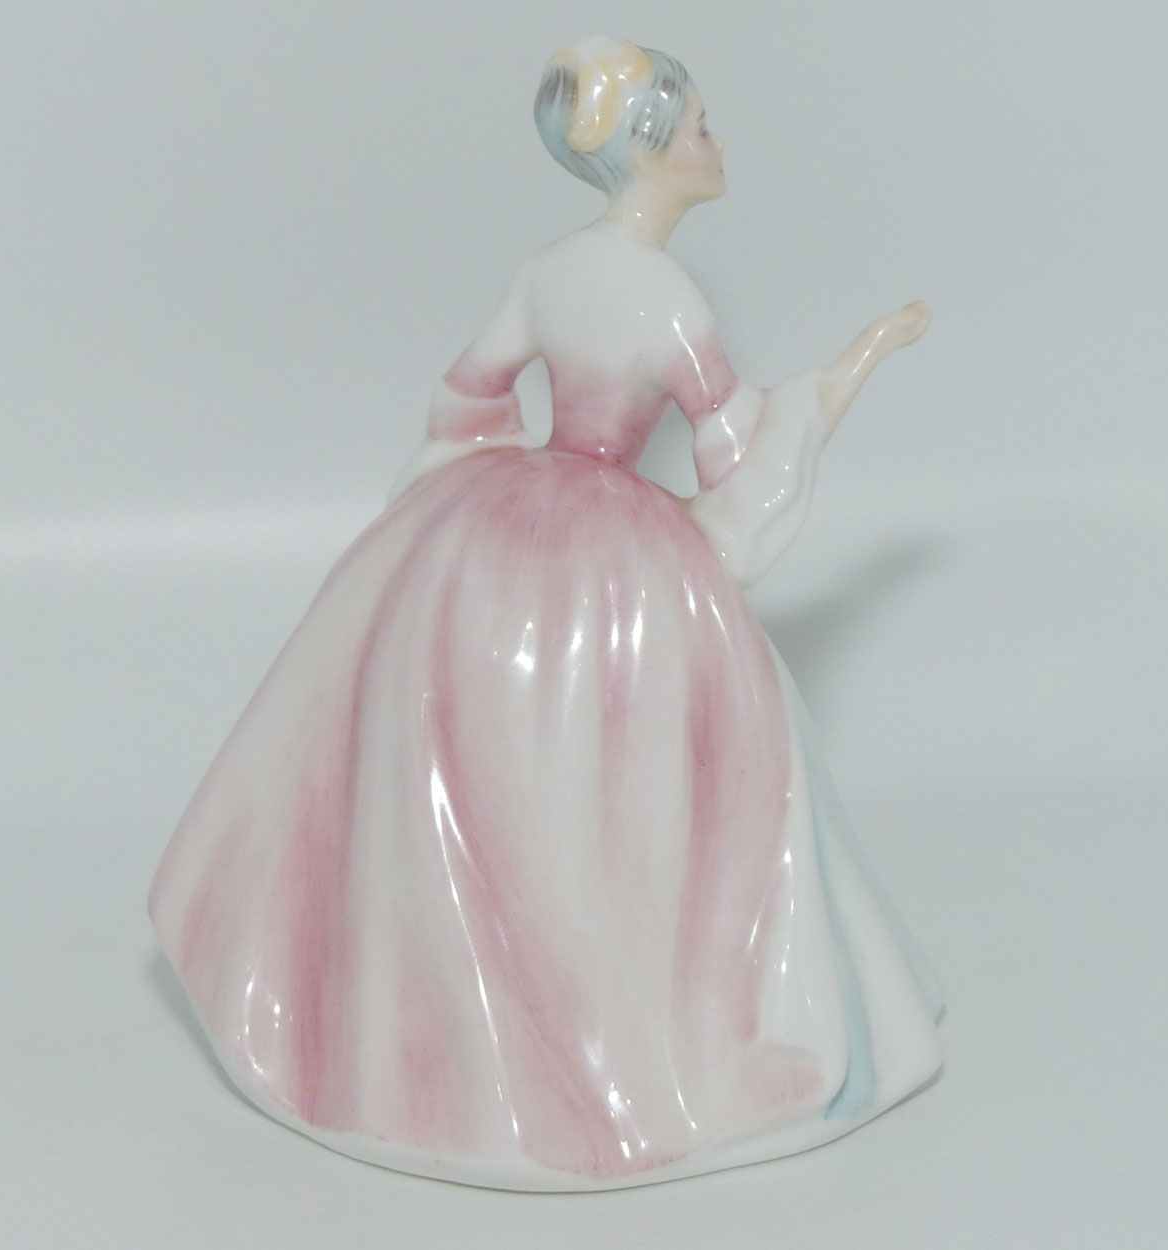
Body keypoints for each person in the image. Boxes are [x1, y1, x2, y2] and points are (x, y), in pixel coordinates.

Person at [150, 36, 943, 1190]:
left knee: (474, 766)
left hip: (497, 528)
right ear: (652, 149)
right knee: (678, 767)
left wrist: (481, 485)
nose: (716, 140)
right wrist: (839, 381)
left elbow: (466, 393)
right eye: (699, 124)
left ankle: (421, 1044)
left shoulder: (545, 270)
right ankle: (626, 1039)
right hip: (612, 556)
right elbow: (733, 460)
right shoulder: (670, 300)